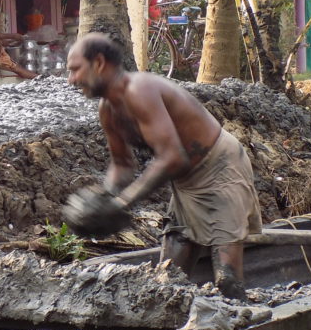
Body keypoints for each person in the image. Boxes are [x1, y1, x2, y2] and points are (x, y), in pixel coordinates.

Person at [66, 33, 262, 300]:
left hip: (220, 168)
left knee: (226, 280)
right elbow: (122, 165)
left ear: (99, 63)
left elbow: (172, 157)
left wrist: (122, 203)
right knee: (168, 280)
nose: (71, 80)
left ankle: (240, 324)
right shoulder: (108, 110)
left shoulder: (139, 90)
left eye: (75, 70)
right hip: (184, 183)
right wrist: (104, 196)